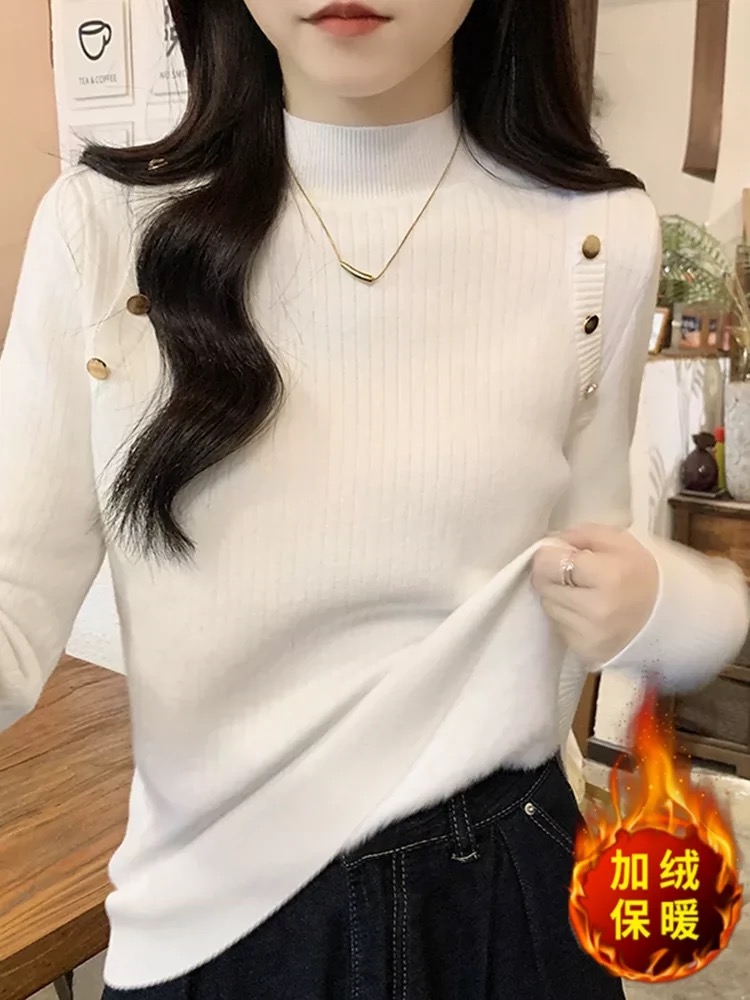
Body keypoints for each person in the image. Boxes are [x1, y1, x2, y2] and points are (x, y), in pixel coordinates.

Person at [0, 1, 747, 997]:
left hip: (508, 897)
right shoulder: (102, 229)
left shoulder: (597, 235)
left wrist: (676, 608)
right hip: (212, 926)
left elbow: (592, 562)